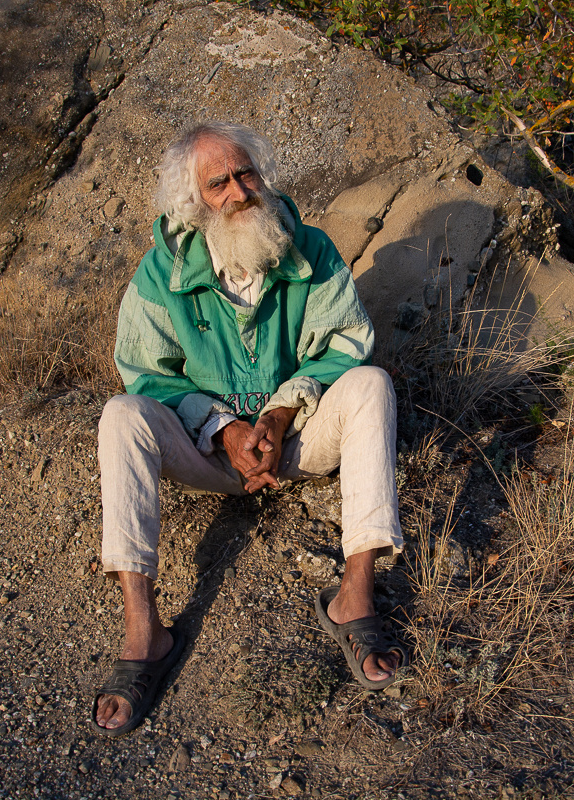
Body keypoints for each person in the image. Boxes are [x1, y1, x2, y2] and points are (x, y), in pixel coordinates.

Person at [91, 122, 406, 736]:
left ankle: (354, 595)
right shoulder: (161, 272)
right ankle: (144, 631)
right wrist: (223, 428)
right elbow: (144, 372)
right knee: (122, 414)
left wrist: (280, 413)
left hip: (297, 440)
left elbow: (347, 341)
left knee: (371, 383)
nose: (239, 192)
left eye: (246, 174)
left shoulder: (309, 249)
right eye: (219, 183)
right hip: (207, 453)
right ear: (192, 202)